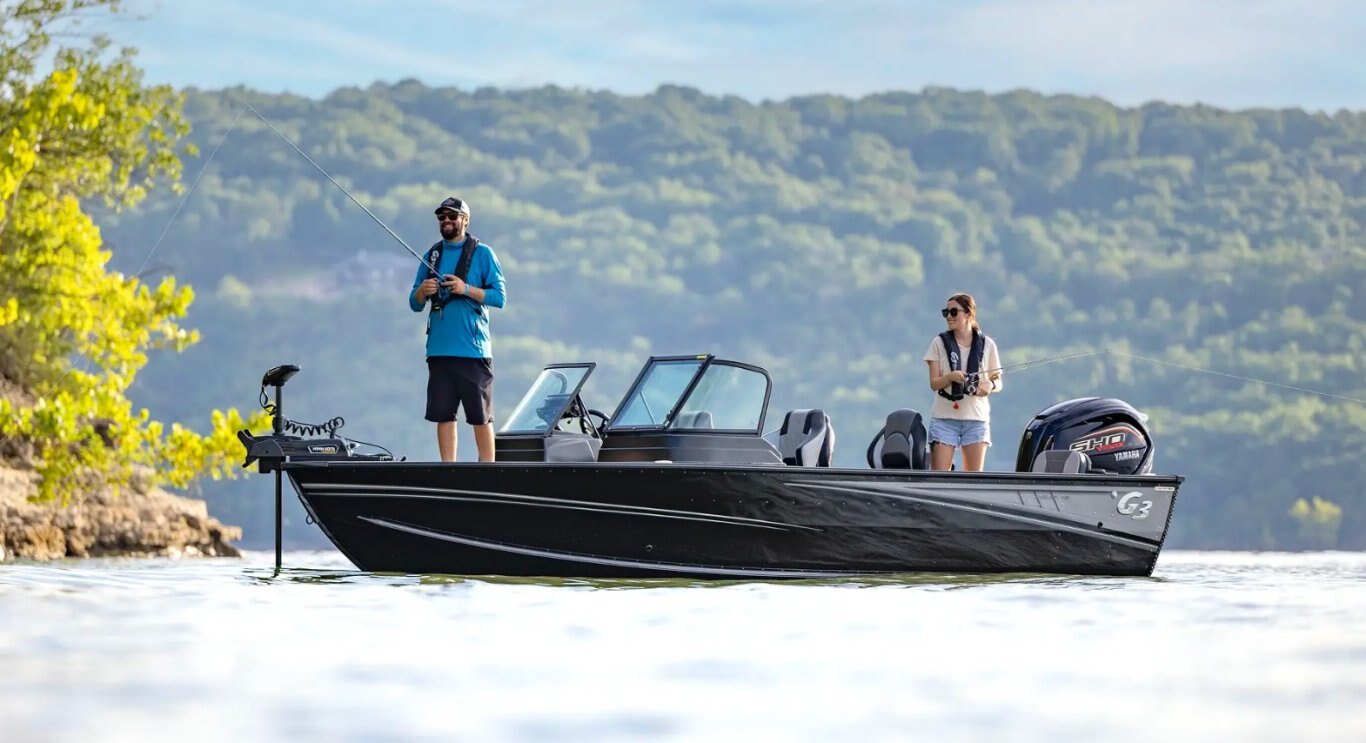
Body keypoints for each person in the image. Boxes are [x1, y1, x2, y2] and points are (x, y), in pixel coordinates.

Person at [410, 196, 507, 462]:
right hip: (439, 351)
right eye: (442, 217)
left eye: (452, 216)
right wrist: (422, 291)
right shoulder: (431, 256)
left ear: (465, 220)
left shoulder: (483, 254)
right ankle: (448, 470)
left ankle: (487, 470)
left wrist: (465, 289)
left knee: (480, 416)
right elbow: (414, 304)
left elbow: (499, 297)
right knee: (443, 415)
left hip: (473, 351)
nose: (446, 221)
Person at [923, 292, 1003, 472]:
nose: (949, 317)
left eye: (954, 312)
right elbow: (934, 383)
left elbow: (998, 381)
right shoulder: (938, 342)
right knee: (940, 479)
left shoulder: (987, 344)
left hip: (976, 419)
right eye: (946, 312)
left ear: (968, 313)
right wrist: (949, 377)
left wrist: (989, 385)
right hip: (944, 419)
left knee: (973, 480)